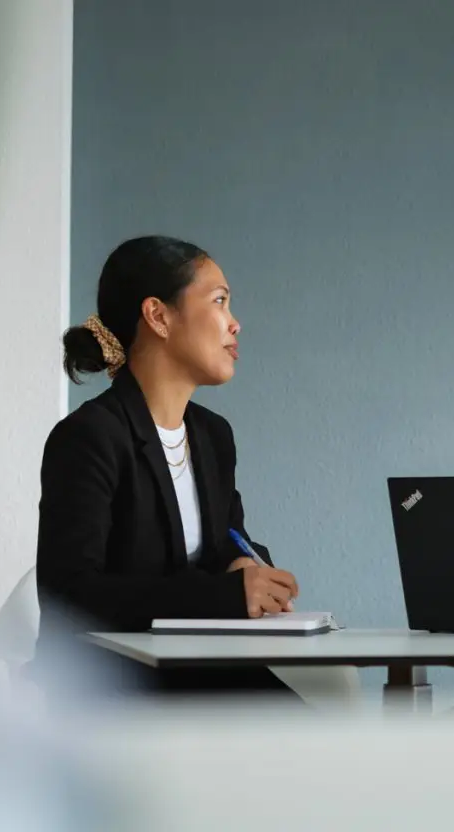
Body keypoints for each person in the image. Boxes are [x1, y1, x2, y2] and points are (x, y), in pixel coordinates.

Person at [32, 235, 304, 701]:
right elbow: (69, 595)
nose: (235, 323)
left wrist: (244, 564)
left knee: (318, 737)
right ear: (158, 316)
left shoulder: (213, 436)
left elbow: (227, 540)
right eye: (219, 301)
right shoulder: (89, 437)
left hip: (202, 669)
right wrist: (227, 595)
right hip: (111, 688)